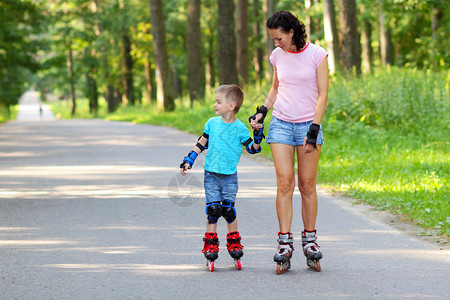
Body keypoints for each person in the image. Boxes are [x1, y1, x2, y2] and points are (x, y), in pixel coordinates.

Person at [249, 11, 329, 273]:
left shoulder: (317, 54)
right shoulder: (277, 56)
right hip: (281, 124)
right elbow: (275, 88)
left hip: (308, 125)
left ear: (291, 32)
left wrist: (314, 128)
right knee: (285, 183)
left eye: (279, 38)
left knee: (307, 185)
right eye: (273, 39)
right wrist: (262, 110)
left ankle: (310, 240)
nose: (276, 43)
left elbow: (323, 95)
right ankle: (284, 243)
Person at [180, 84, 264, 271]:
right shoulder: (212, 123)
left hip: (229, 177)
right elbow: (201, 143)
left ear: (232, 105)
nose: (214, 105)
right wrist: (189, 160)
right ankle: (210, 244)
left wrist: (258, 135)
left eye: (218, 102)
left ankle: (234, 242)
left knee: (228, 210)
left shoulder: (240, 128)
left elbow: (253, 150)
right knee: (213, 209)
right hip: (211, 174)